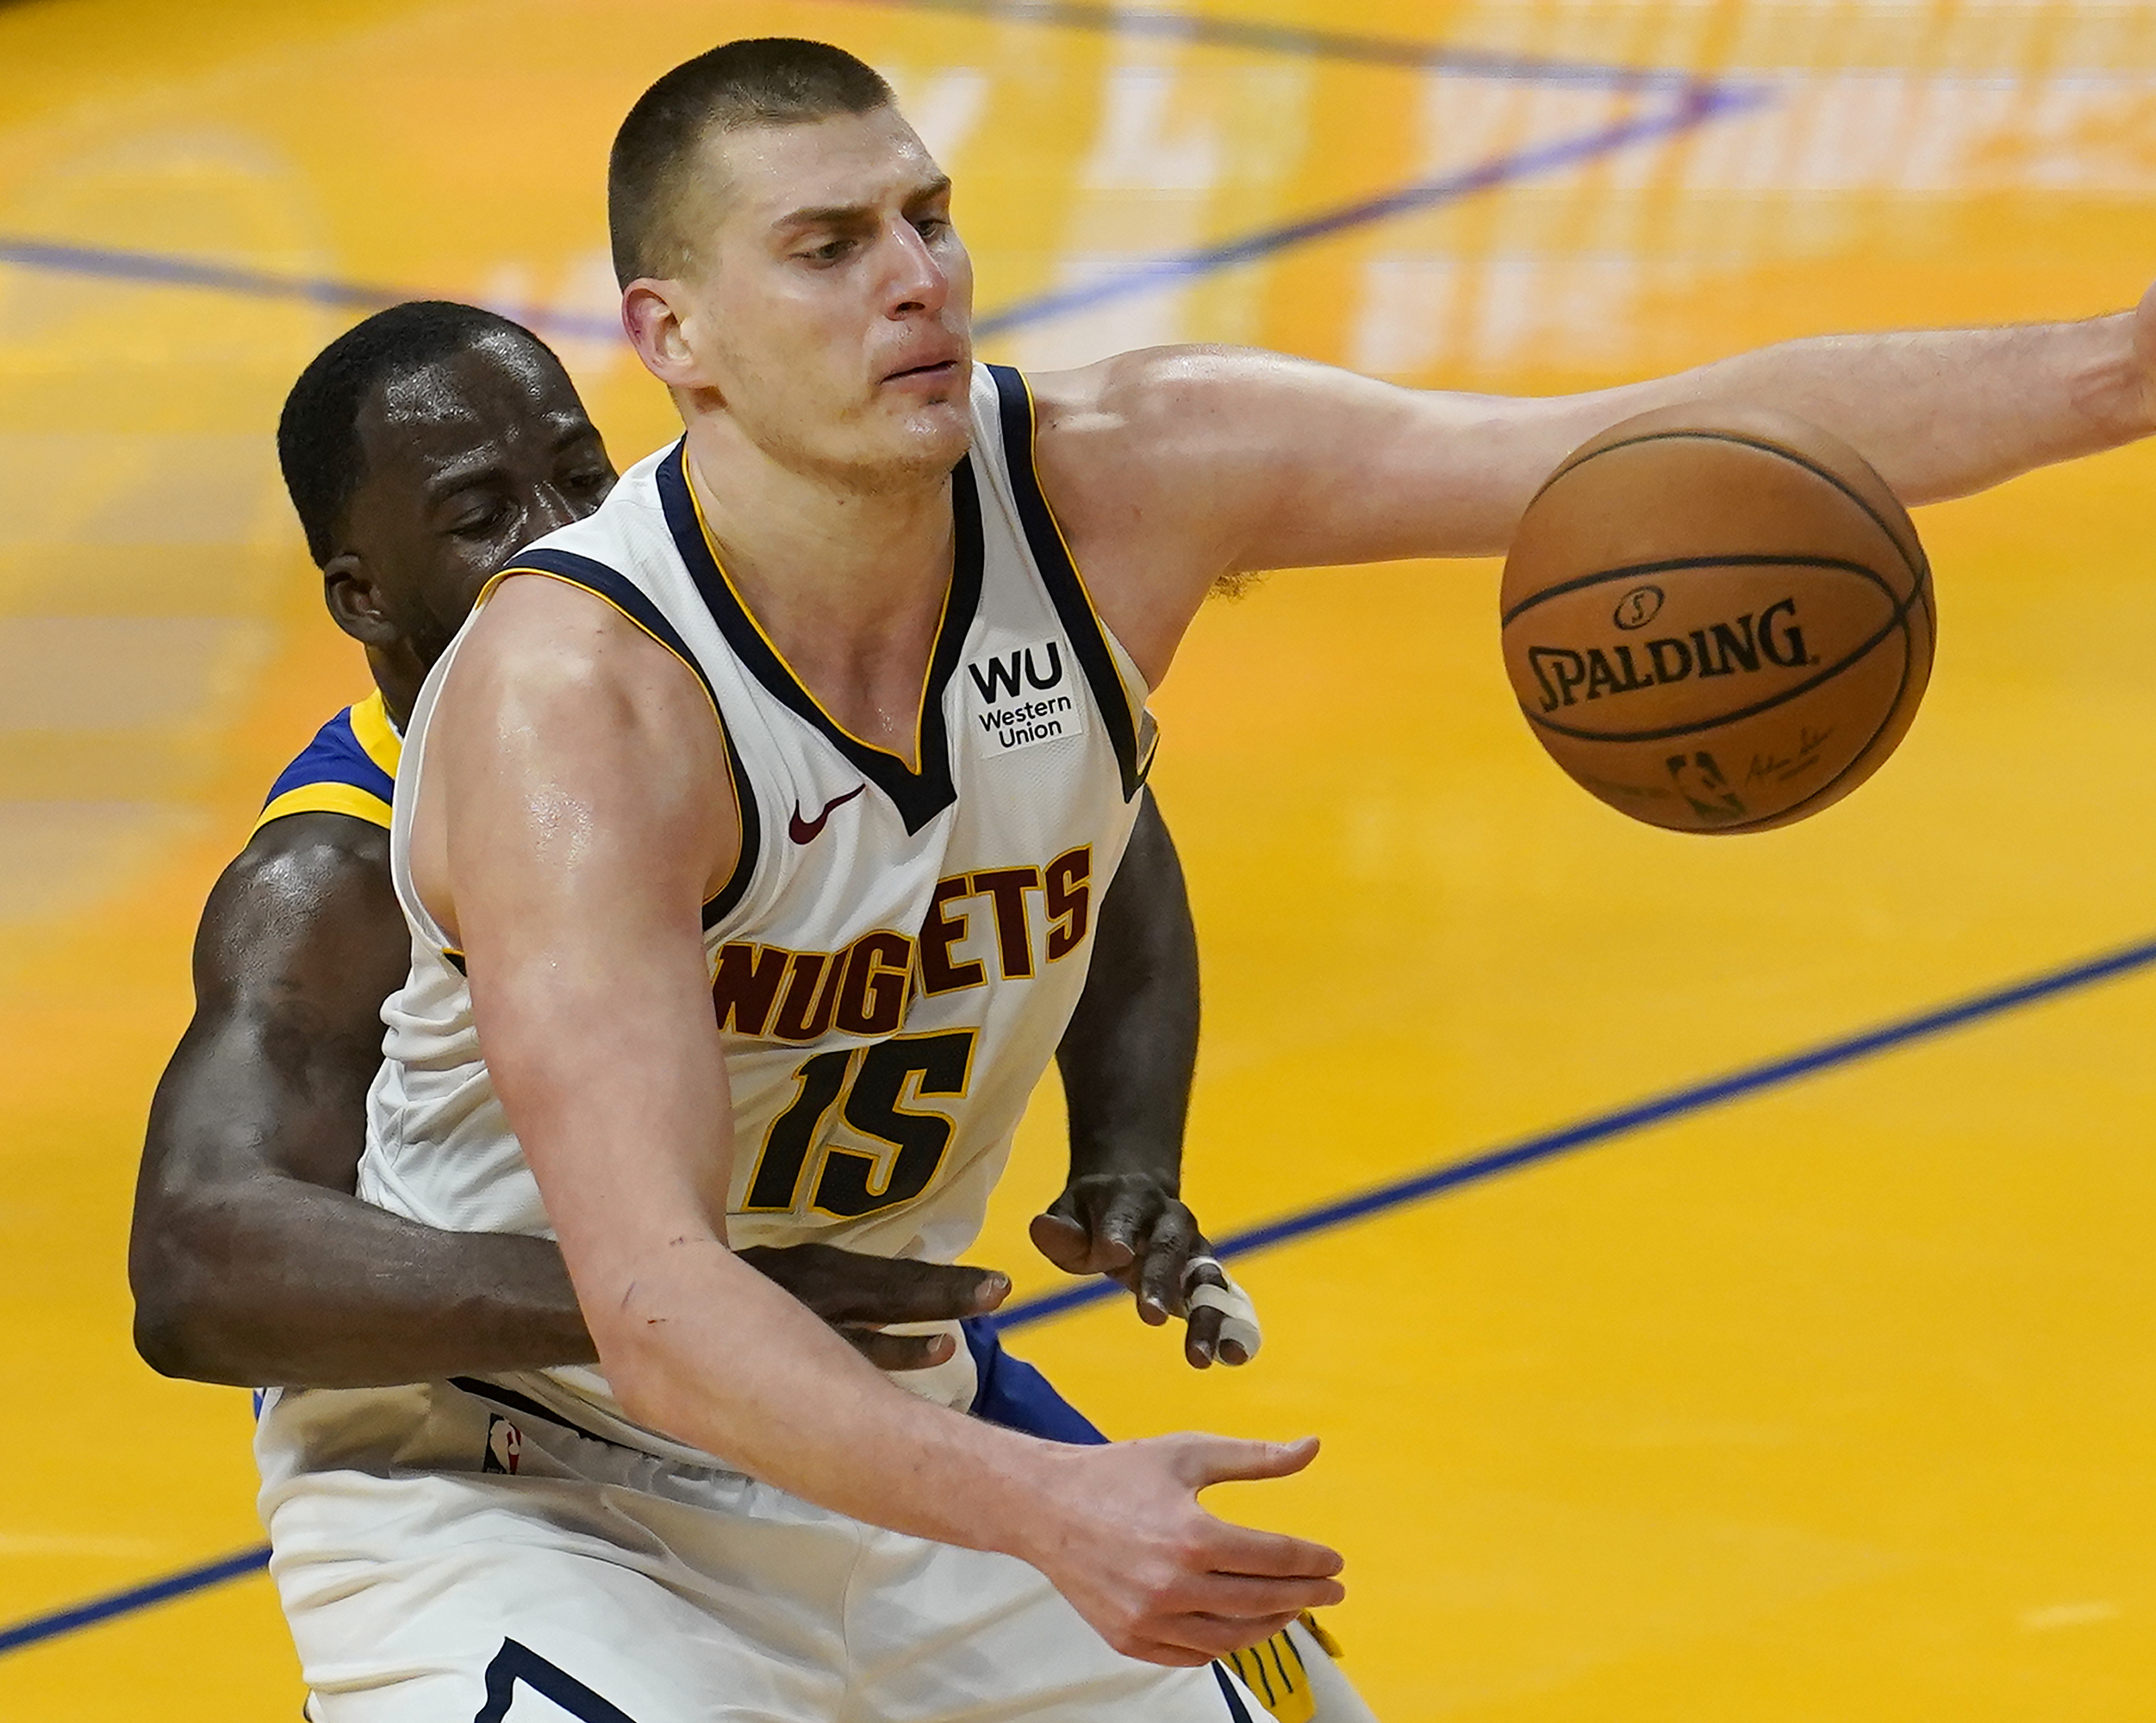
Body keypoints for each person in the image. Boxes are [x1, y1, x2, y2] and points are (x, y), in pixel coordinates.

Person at [257, 34, 2156, 1722]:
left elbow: (1627, 447)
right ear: (681, 339)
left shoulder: (1124, 477)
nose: (917, 275)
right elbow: (649, 1302)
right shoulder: (579, 700)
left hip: (891, 1437)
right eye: (830, 248)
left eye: (926, 216)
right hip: (529, 1475)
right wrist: (1053, 1501)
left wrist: (2125, 373)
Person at [132, 300, 1348, 1720]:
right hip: (512, 1452)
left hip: (857, 1407)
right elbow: (201, 1262)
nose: (558, 532)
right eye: (479, 514)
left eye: (579, 477)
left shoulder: (750, 669)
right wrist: (688, 1306)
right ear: (363, 597)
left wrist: (1127, 1154)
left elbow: (1088, 808)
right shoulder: (333, 867)